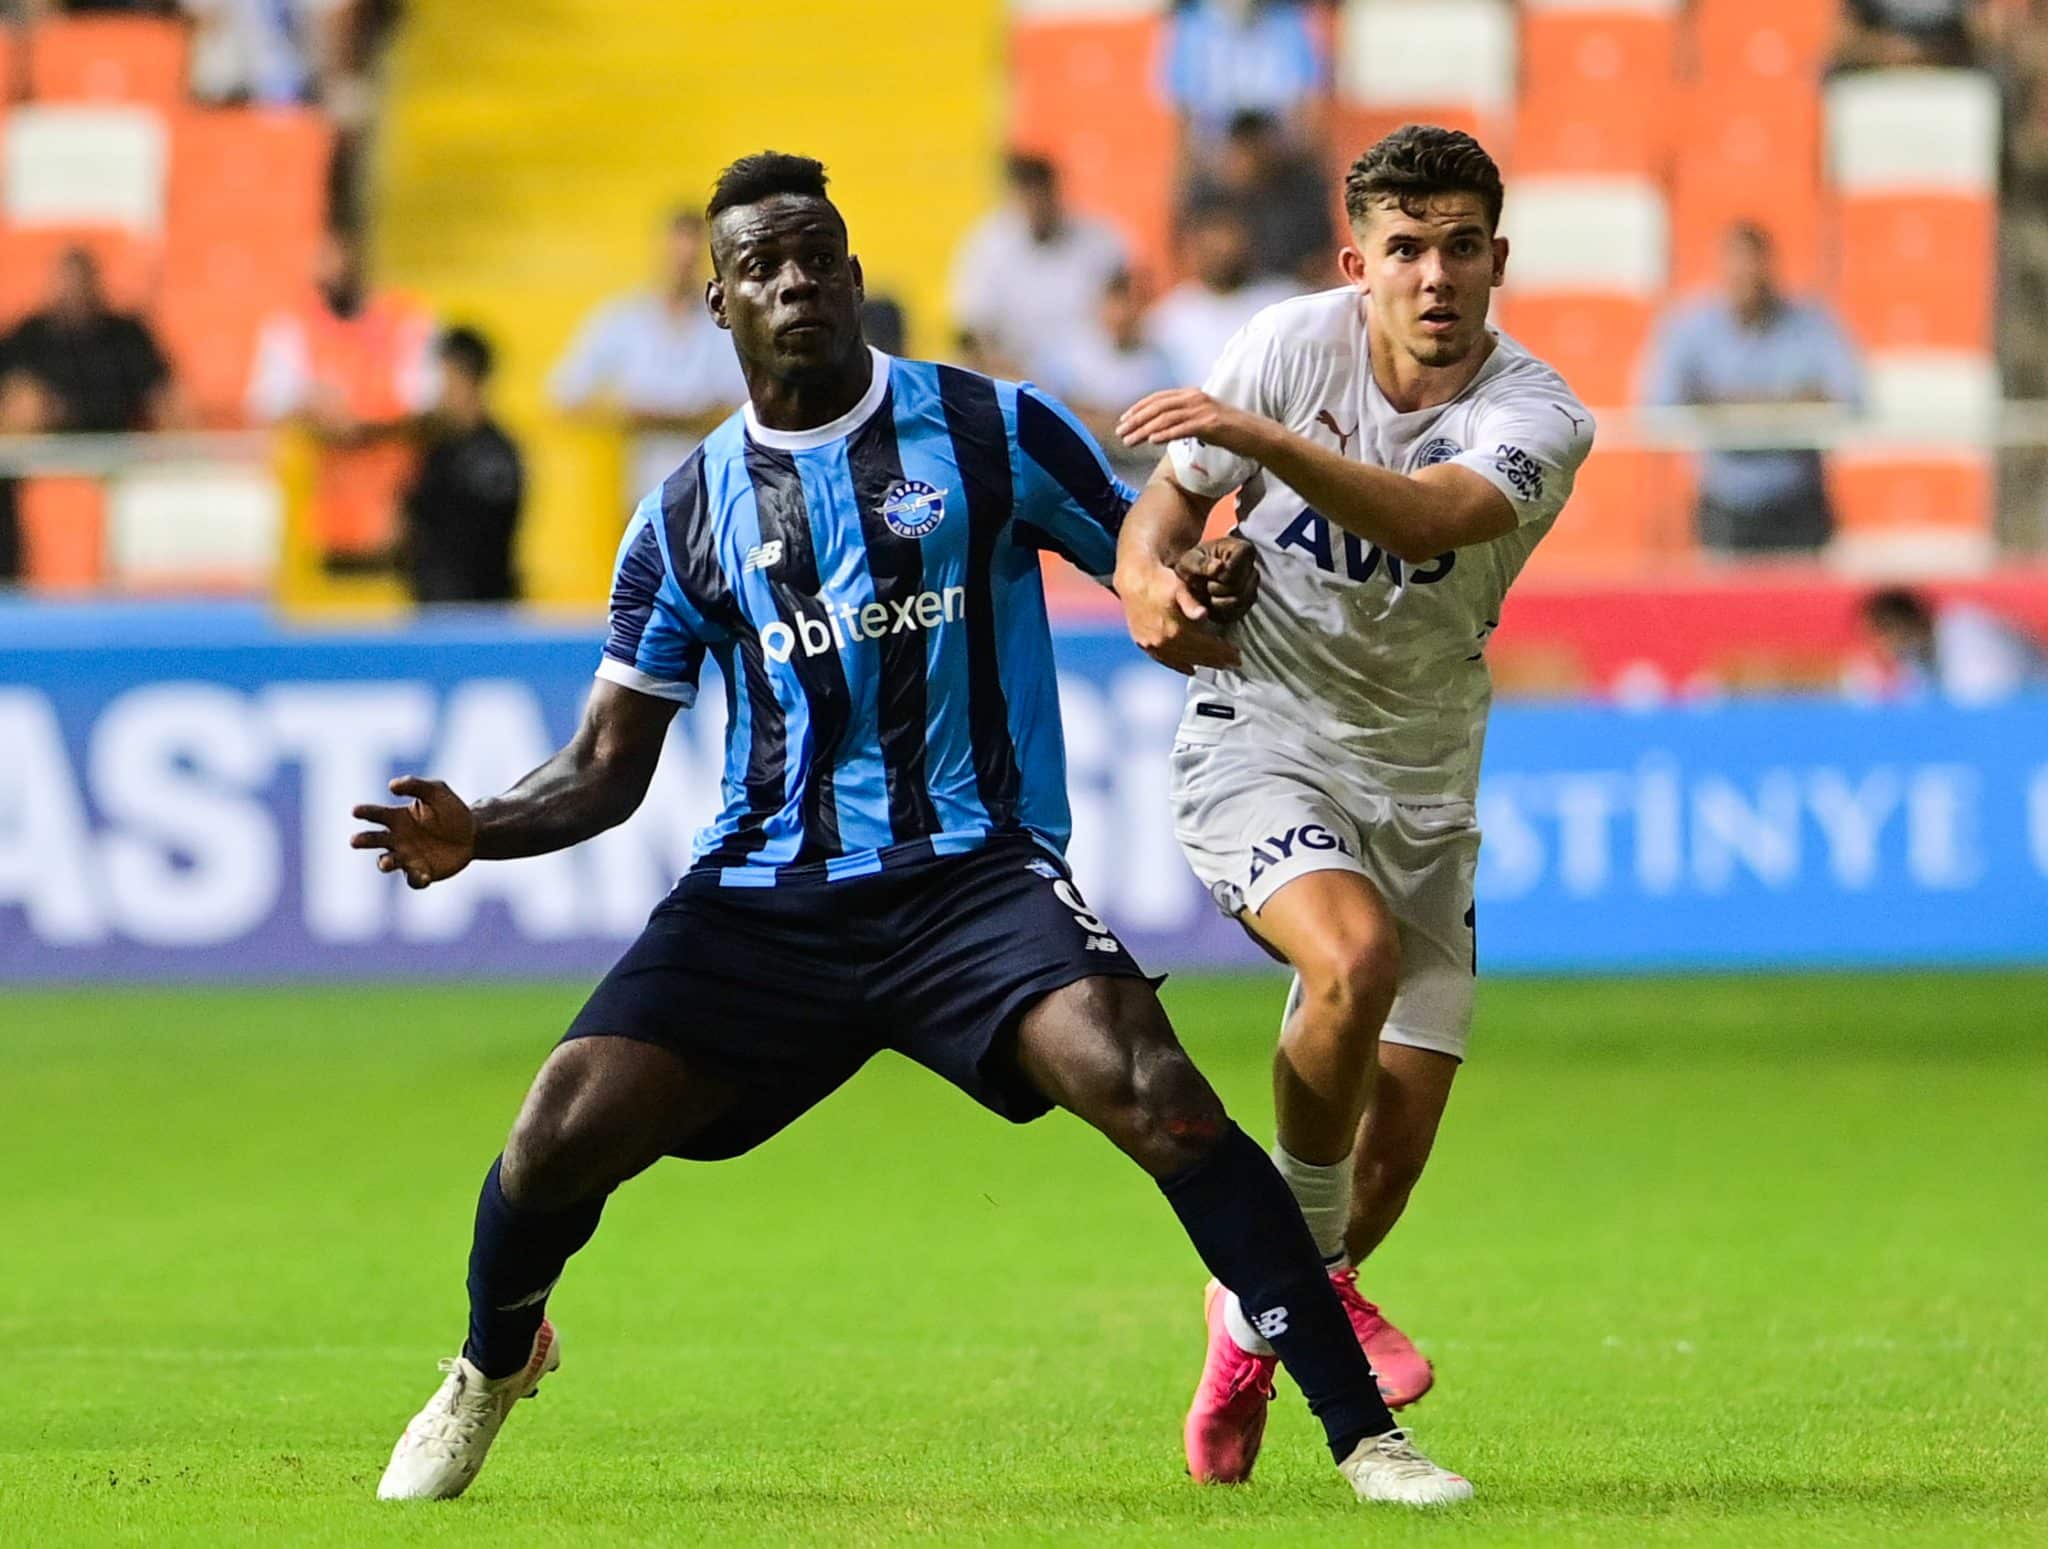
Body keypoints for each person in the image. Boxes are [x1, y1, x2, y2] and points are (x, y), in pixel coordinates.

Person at [355, 151, 1470, 1510]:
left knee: (1161, 1096)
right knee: (551, 1139)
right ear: (719, 303)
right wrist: (479, 826)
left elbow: (1151, 575)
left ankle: (1364, 1437)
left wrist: (1203, 582)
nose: (794, 282)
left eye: (814, 256)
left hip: (973, 879)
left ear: (852, 273)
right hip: (766, 897)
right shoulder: (684, 514)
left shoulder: (994, 429)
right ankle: (490, 1364)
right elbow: (604, 766)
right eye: (760, 266)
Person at [1114, 124, 1595, 1482]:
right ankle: (1315, 1296)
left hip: (1426, 782)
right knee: (1352, 961)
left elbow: (1428, 518)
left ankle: (1248, 1316)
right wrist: (1153, 587)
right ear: (1358, 263)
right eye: (1406, 248)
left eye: (1461, 248)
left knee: (1385, 1162)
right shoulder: (1284, 345)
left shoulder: (1541, 415)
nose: (1435, 275)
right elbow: (1161, 518)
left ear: (1498, 259)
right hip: (1261, 735)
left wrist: (1258, 443)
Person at [1637, 223, 1865, 555]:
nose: (1744, 277)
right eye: (1735, 267)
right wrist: (1784, 403)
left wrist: (1729, 404)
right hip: (1724, 505)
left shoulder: (1811, 323)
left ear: (1770, 267)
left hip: (1799, 502)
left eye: (1752, 267)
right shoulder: (1690, 327)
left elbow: (1852, 396)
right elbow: (1658, 404)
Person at [246, 225, 438, 570]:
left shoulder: (407, 320)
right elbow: (266, 403)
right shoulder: (290, 327)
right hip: (317, 507)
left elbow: (428, 403)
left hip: (396, 501)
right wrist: (313, 411)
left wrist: (363, 425)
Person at [549, 207, 748, 501]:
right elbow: (564, 398)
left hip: (715, 492)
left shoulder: (727, 325)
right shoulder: (621, 319)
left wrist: (663, 418)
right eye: (677, 257)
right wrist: (628, 416)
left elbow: (750, 408)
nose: (682, 268)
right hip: (641, 492)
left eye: (691, 259)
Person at [947, 153, 1129, 380]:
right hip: (1012, 372)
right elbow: (972, 328)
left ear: (1055, 192)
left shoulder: (1099, 240)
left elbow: (1124, 311)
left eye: (1039, 194)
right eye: (1026, 196)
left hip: (1090, 372)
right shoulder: (986, 245)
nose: (1034, 205)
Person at [0, 246, 188, 434]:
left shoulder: (127, 335)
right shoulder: (27, 336)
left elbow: (163, 395)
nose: (74, 294)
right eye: (67, 284)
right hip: (45, 443)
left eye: (80, 284)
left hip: (118, 441)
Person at [400, 326, 523, 604]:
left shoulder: (496, 456)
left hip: (481, 609)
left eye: (444, 378)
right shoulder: (435, 450)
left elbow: (482, 543)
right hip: (432, 606)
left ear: (465, 378)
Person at [1038, 269, 1180, 483]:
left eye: (1132, 304)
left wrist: (1101, 418)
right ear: (1101, 306)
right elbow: (1056, 413)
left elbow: (1161, 423)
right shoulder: (1070, 357)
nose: (1123, 315)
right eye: (1116, 304)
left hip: (1138, 477)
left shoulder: (1158, 363)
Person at [1147, 201, 1300, 387]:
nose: (1222, 250)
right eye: (1211, 244)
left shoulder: (1286, 303)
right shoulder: (1168, 319)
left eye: (1228, 239)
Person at [1162, 0, 1328, 168]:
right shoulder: (1191, 27)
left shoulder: (1290, 22)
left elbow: (1307, 108)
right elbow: (1184, 118)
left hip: (1281, 154)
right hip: (1214, 156)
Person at [1183, 109, 1337, 289]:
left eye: (1255, 150)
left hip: (1290, 288)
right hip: (1228, 292)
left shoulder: (1299, 196)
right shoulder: (1211, 198)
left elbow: (1318, 259)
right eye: (1242, 152)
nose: (1249, 161)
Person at [1860, 586, 2048, 704]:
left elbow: (1988, 702)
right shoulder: (1918, 656)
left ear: (1905, 623)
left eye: (1884, 635)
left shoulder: (1969, 633)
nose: (1883, 648)